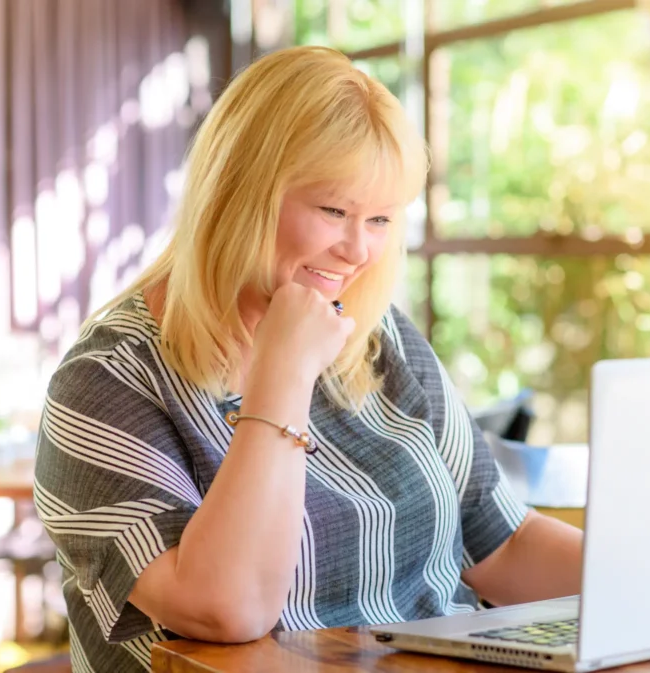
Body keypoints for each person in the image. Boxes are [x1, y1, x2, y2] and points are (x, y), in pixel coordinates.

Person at [34, 45, 584, 672]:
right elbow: (227, 608)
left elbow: (502, 544)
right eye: (333, 210)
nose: (358, 251)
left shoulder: (383, 342)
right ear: (241, 190)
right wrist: (284, 375)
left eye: (379, 219)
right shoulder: (105, 384)